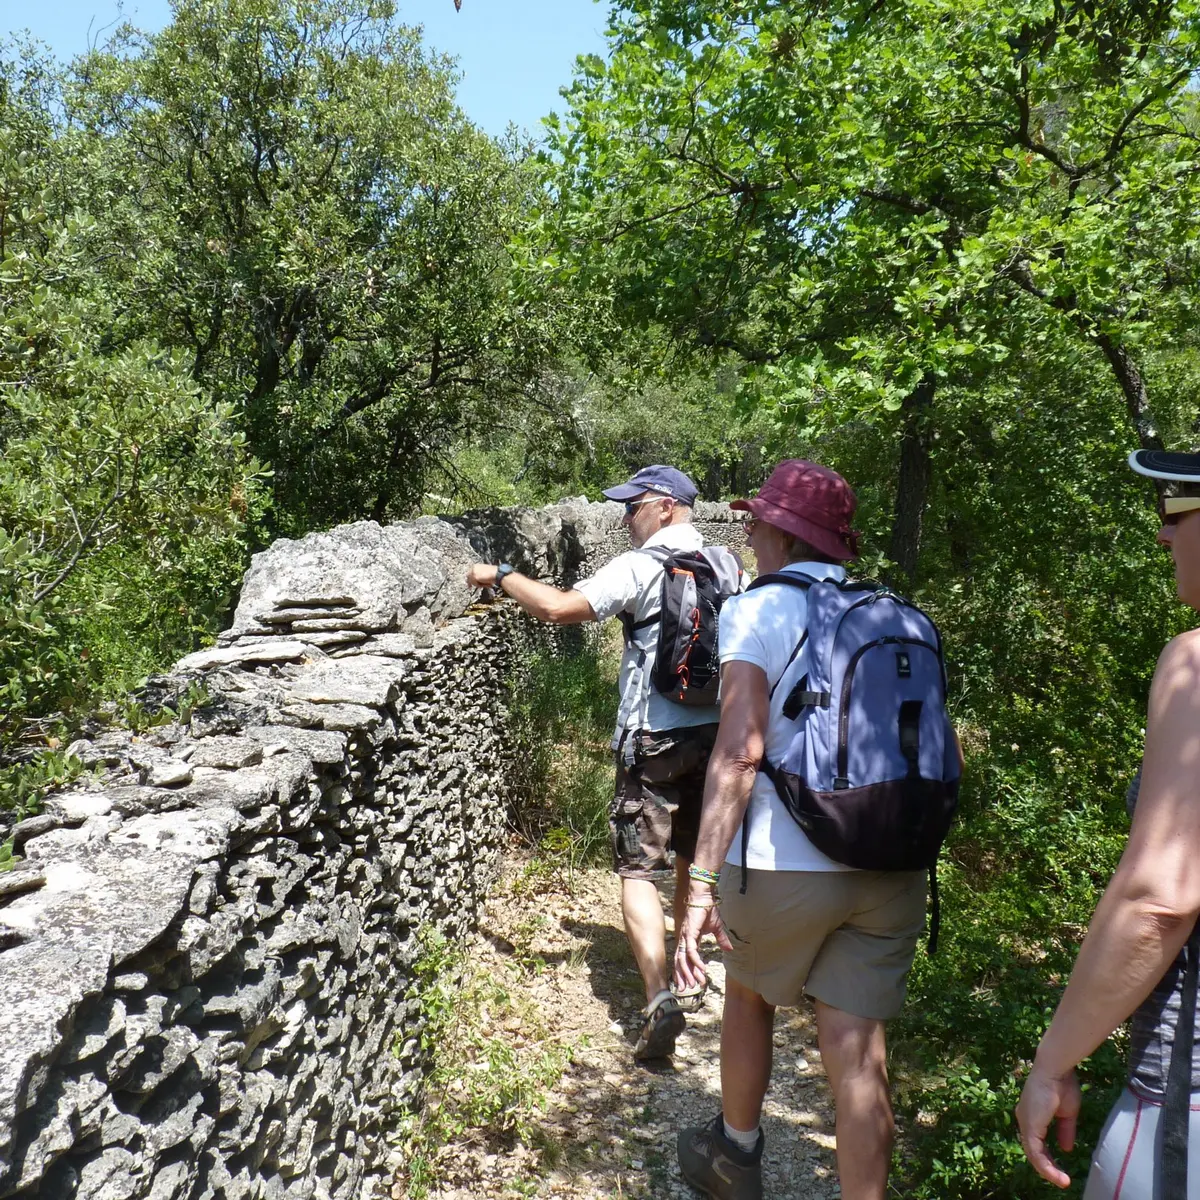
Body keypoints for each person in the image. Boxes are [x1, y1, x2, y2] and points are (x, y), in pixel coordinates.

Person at [673, 459, 934, 1200]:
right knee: (859, 1052)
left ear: (784, 534)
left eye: (758, 521)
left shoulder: (759, 610)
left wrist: (701, 884)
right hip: (889, 860)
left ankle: (735, 1155)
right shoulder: (892, 612)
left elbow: (740, 751)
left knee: (749, 996)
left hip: (784, 860)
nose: (750, 533)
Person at [466, 465, 723, 1061]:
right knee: (691, 855)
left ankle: (658, 996)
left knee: (638, 870)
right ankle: (688, 968)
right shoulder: (727, 566)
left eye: (633, 505)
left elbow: (558, 608)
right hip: (714, 734)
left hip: (652, 737)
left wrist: (499, 575)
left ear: (664, 507)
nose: (624, 516)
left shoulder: (640, 567)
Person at [1016, 449, 1200, 1198]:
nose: (1164, 532)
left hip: (1183, 1104)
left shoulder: (1195, 666)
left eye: (1180, 509)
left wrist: (1053, 1061)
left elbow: (1161, 900)